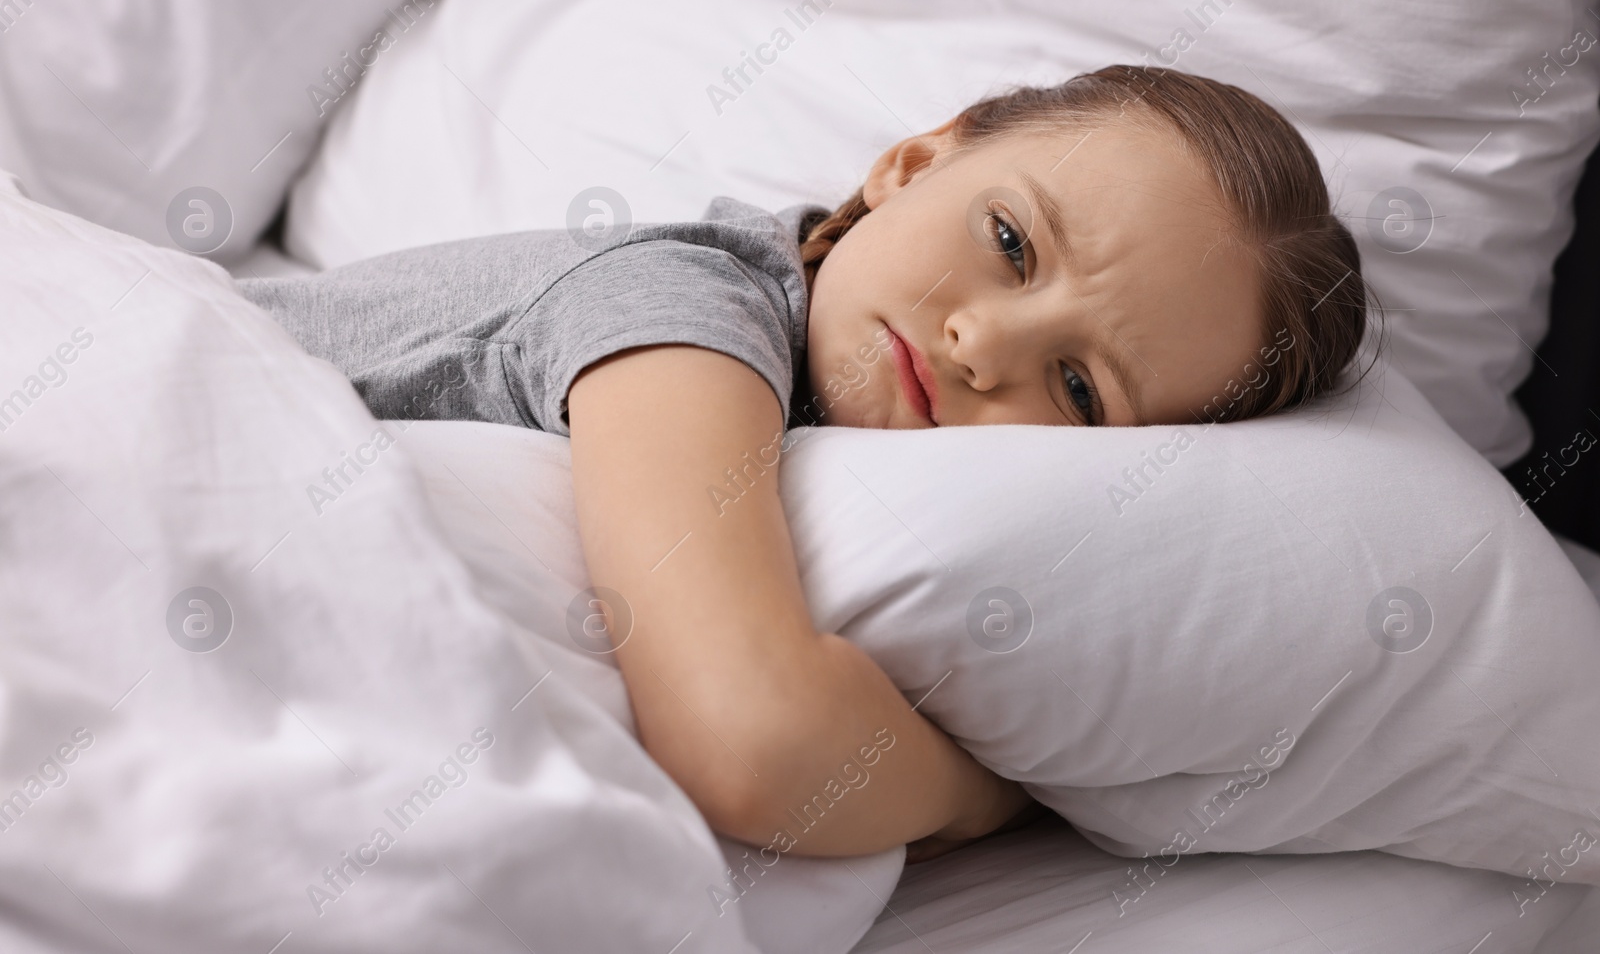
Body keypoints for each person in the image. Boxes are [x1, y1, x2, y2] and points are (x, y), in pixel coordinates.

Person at [239, 65, 1370, 862]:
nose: (982, 343)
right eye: (1011, 243)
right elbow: (753, 739)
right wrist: (996, 797)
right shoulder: (682, 309)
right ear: (916, 159)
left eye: (1078, 389)